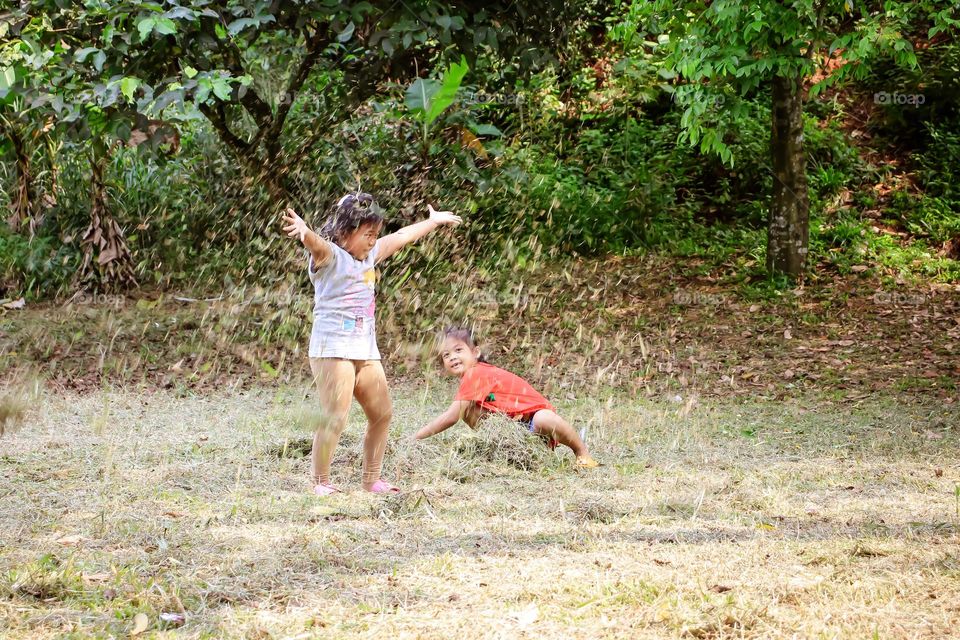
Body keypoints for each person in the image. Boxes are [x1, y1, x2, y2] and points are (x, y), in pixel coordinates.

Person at [282, 193, 462, 495]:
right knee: (335, 416)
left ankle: (371, 480)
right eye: (367, 234)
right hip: (332, 349)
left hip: (364, 349)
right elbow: (317, 243)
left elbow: (401, 236)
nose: (372, 240)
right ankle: (321, 483)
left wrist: (432, 222)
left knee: (382, 413)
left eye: (375, 235)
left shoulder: (369, 256)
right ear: (344, 233)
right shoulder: (331, 257)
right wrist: (304, 232)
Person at [414, 326, 599, 468]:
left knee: (544, 417)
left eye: (458, 350)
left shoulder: (476, 373)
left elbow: (450, 417)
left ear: (475, 352)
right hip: (513, 433)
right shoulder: (471, 378)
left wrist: (416, 438)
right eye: (446, 355)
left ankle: (581, 452)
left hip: (533, 424)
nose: (452, 357)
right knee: (469, 410)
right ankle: (505, 454)